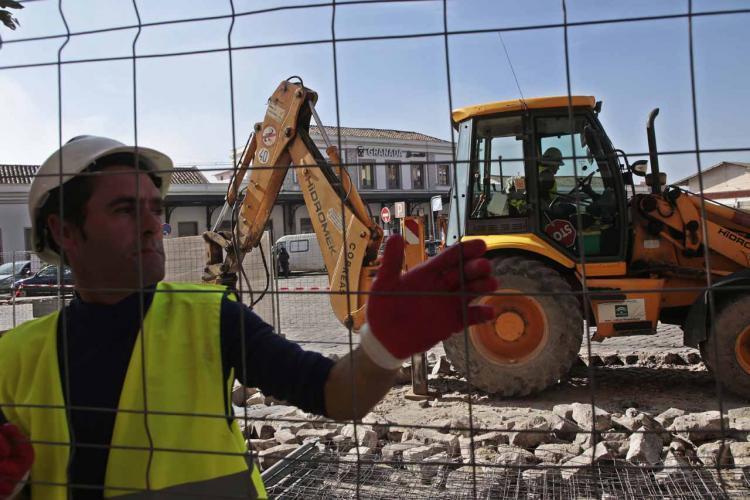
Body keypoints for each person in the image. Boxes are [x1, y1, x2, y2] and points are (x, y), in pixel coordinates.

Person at [0, 136, 497, 499]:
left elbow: (334, 393)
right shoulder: (13, 359)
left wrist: (382, 347)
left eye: (156, 208)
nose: (155, 225)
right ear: (65, 232)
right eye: (127, 210)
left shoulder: (210, 317)